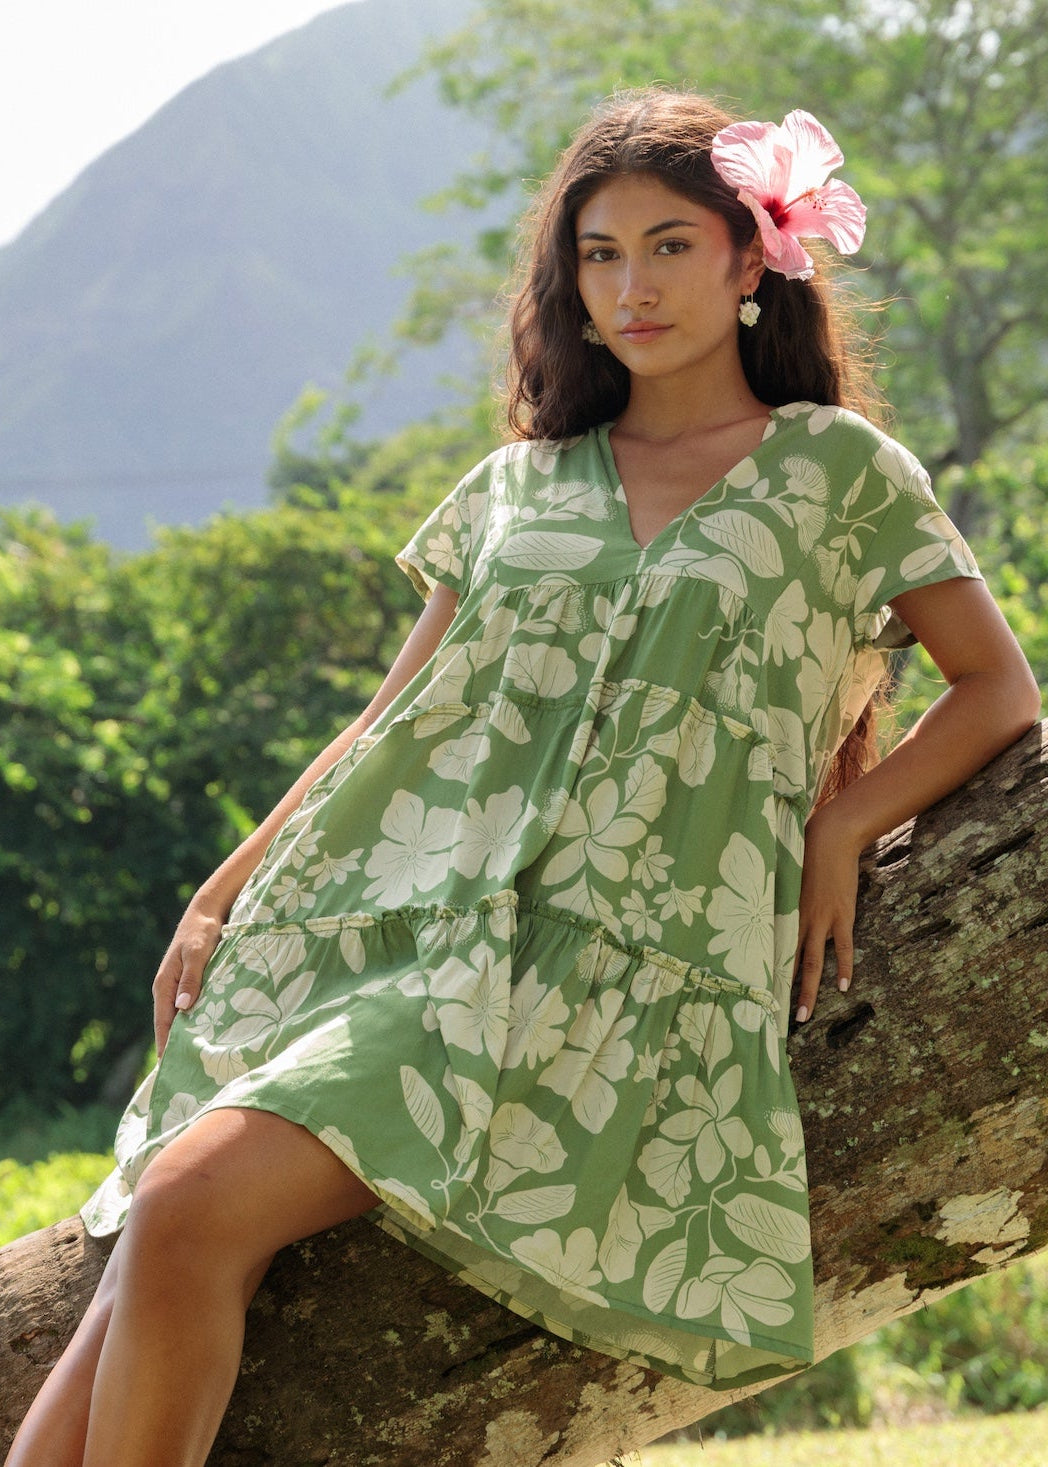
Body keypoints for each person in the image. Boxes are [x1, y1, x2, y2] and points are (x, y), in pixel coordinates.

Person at [7, 89, 1039, 1467]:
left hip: (595, 981)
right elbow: (392, 720)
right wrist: (221, 894)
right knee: (146, 1246)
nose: (632, 287)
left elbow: (999, 688)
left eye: (670, 246)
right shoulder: (518, 487)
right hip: (397, 928)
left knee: (184, 1205)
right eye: (599, 257)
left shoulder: (838, 472)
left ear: (752, 259)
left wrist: (847, 819)